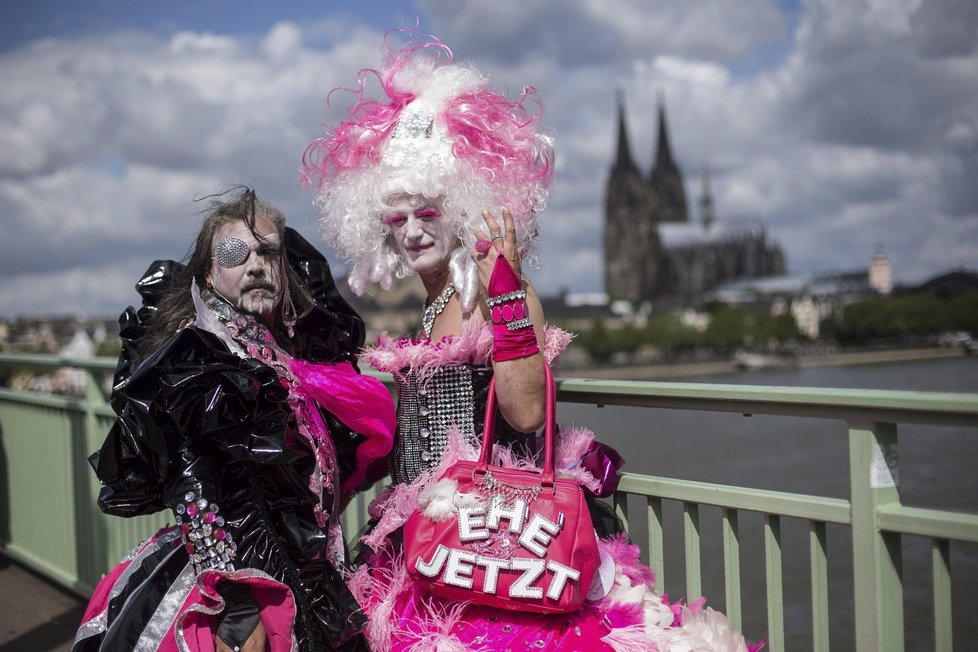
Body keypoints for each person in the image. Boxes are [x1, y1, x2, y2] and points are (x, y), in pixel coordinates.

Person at [302, 31, 761, 651]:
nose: (412, 232)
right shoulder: (433, 299)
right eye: (397, 218)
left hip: (500, 543)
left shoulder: (500, 287)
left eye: (428, 213)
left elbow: (525, 411)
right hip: (436, 550)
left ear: (463, 205)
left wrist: (509, 289)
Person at [73, 188, 396, 652]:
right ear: (209, 271)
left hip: (302, 572)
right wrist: (236, 606)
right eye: (234, 253)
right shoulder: (199, 360)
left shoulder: (273, 353)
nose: (256, 265)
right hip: (247, 587)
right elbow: (194, 486)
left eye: (269, 253)